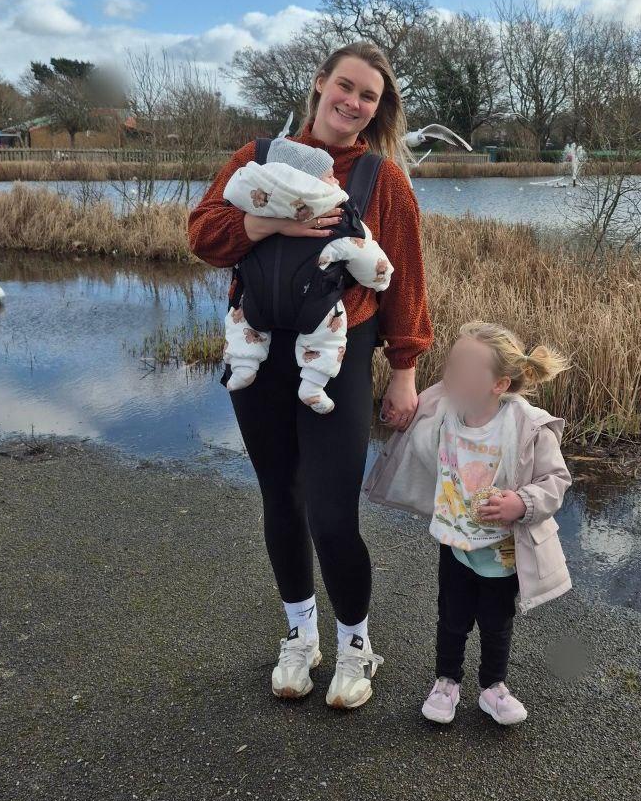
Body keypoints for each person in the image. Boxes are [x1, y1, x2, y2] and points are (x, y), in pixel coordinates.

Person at [188, 41, 433, 710]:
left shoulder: (383, 180)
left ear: (377, 110)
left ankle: (356, 645)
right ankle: (301, 637)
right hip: (260, 347)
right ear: (321, 83)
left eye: (368, 96)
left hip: (338, 357)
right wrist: (265, 222)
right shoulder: (259, 156)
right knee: (280, 499)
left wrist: (404, 371)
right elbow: (203, 235)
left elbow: (404, 280)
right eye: (345, 86)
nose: (352, 102)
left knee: (331, 513)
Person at [363, 321, 573, 726]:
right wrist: (395, 413)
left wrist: (522, 503)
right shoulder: (443, 408)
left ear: (499, 384)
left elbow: (556, 481)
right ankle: (446, 682)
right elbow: (410, 420)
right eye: (453, 364)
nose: (453, 374)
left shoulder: (527, 426)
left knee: (497, 624)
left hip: (502, 552)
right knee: (452, 619)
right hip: (455, 543)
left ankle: (493, 687)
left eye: (467, 368)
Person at [221, 134, 394, 413]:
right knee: (329, 336)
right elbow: (368, 260)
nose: (336, 181)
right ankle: (313, 384)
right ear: (307, 182)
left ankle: (243, 365)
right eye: (329, 176)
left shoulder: (250, 207)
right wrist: (382, 278)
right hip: (314, 308)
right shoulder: (335, 219)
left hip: (257, 304)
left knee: (240, 321)